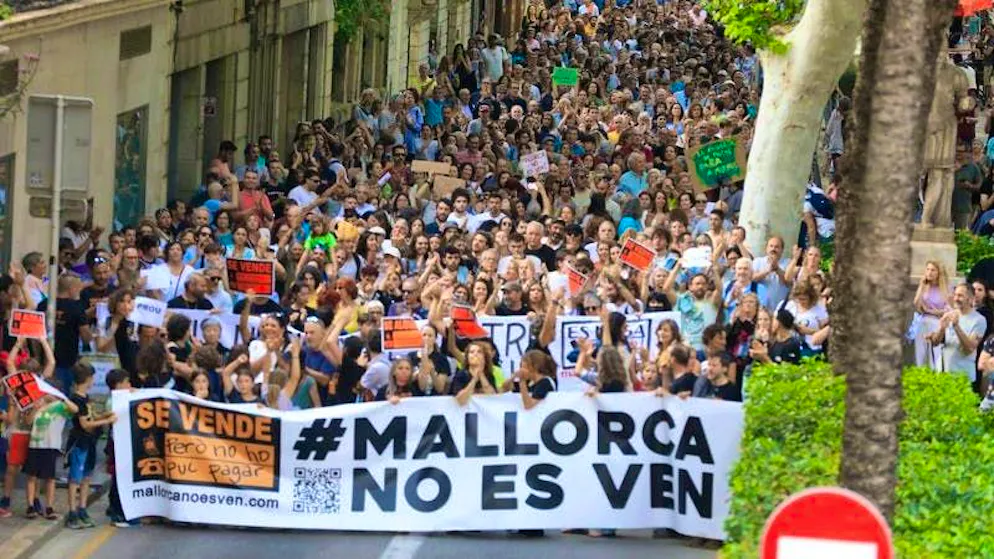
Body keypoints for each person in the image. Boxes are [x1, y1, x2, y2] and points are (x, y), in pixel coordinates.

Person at [65, 362, 117, 529]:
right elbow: (85, 424)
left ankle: (82, 509)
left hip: (90, 442)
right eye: (92, 377)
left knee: (87, 477)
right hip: (79, 443)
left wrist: (103, 415)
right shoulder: (76, 399)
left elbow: (91, 418)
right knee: (75, 478)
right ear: (88, 379)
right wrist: (106, 420)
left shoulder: (85, 398)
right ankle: (72, 512)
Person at [25, 395, 79, 520]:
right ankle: (30, 506)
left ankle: (49, 507)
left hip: (50, 446)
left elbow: (75, 410)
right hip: (35, 445)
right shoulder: (37, 404)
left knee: (50, 477)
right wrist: (34, 408)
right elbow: (28, 422)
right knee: (32, 476)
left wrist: (63, 399)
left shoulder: (60, 406)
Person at [928, 283, 987, 383]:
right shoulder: (949, 314)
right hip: (943, 373)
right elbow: (935, 343)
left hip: (963, 377)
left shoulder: (979, 320)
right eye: (955, 295)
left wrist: (956, 326)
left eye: (960, 296)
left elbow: (969, 349)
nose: (956, 298)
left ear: (970, 298)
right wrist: (941, 329)